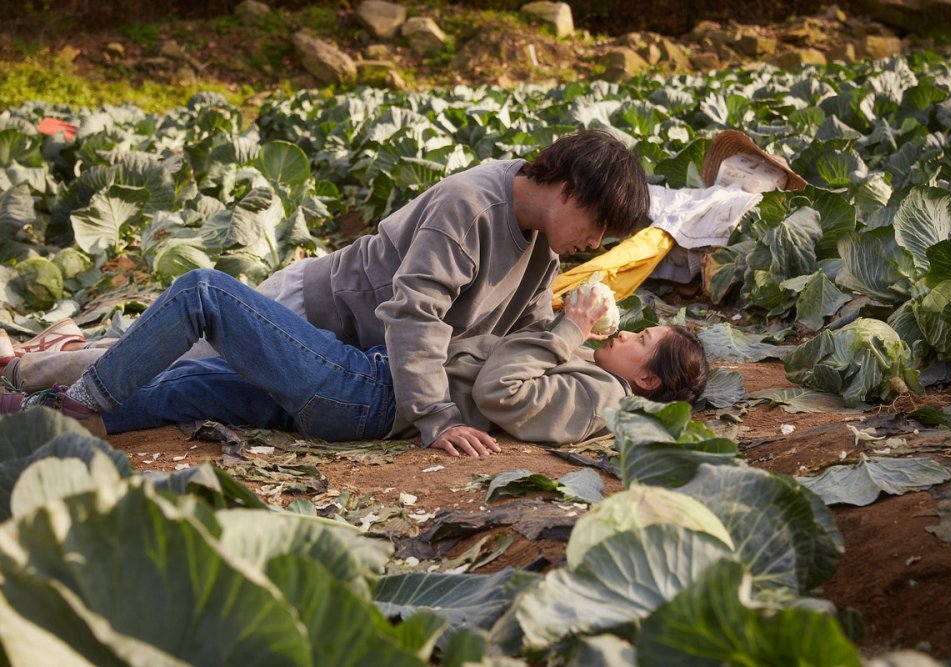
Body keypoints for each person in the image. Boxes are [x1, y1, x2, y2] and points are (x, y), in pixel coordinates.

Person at [183, 129, 651, 456]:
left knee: (201, 392)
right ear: (569, 192)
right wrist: (436, 416)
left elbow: (522, 327)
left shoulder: (545, 244)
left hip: (356, 353)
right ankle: (108, 370)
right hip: (310, 311)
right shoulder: (470, 204)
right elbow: (415, 314)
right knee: (175, 361)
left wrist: (569, 338)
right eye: (597, 228)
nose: (594, 245)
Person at [1, 269, 708, 452]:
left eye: (644, 341)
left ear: (647, 378)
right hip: (368, 376)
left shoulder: (599, 395)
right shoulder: (588, 373)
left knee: (207, 293)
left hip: (366, 394)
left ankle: (63, 398)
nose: (631, 331)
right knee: (186, 387)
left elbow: (502, 390)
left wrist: (569, 330)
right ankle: (35, 422)